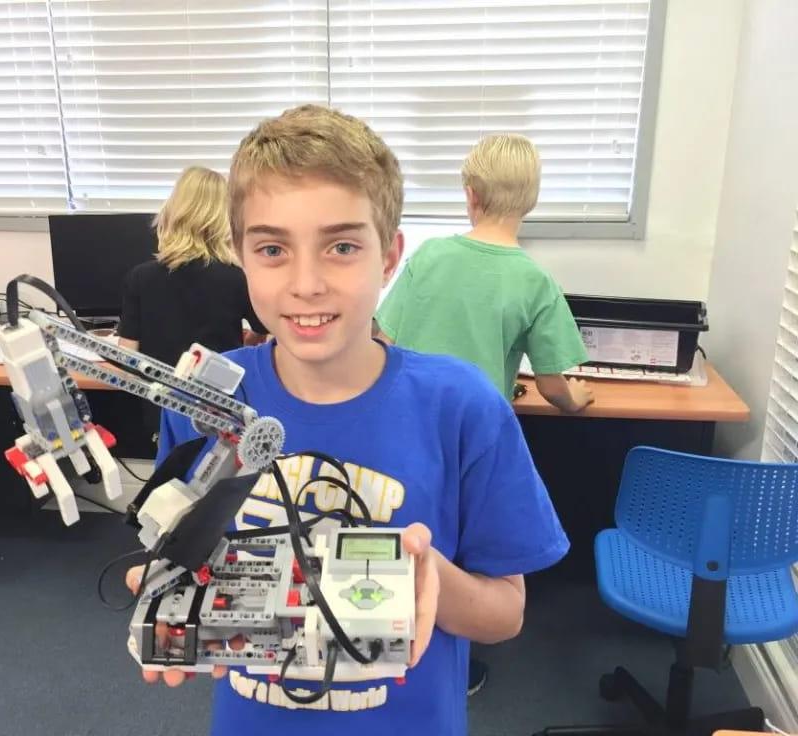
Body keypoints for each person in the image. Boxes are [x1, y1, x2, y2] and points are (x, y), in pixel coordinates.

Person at [125, 106, 569, 736]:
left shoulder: (462, 406)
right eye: (273, 248)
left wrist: (427, 575)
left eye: (341, 246)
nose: (307, 284)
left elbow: (506, 614)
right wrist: (167, 585)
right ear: (240, 257)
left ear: (389, 258)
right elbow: (180, 553)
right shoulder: (207, 397)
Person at [376, 133, 593, 414]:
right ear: (532, 200)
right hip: (478, 428)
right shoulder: (537, 282)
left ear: (471, 195)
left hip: (411, 419)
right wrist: (574, 399)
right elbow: (550, 386)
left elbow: (383, 343)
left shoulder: (429, 254)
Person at [118, 166, 266, 437]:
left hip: (161, 410)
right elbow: (263, 328)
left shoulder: (140, 277)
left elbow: (127, 357)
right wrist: (246, 344)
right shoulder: (236, 279)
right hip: (220, 409)